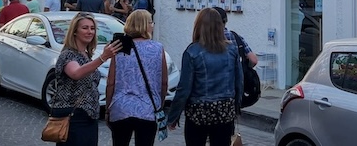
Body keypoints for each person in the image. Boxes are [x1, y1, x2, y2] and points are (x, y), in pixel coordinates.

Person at [166, 8, 243, 146]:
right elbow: (239, 82)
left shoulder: (192, 51)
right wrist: (236, 106)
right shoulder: (231, 50)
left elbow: (184, 88)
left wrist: (173, 116)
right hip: (224, 109)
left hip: (198, 111)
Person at [48, 12, 121, 145]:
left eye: (92, 28)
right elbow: (76, 73)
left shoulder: (87, 55)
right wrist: (103, 58)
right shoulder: (68, 54)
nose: (90, 32)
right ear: (75, 31)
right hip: (74, 116)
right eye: (85, 28)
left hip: (90, 116)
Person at [106, 10, 167, 146]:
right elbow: (163, 82)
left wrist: (109, 108)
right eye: (151, 22)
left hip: (121, 107)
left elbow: (111, 82)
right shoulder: (157, 48)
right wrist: (160, 103)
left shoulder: (119, 47)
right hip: (147, 108)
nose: (153, 25)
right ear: (145, 25)